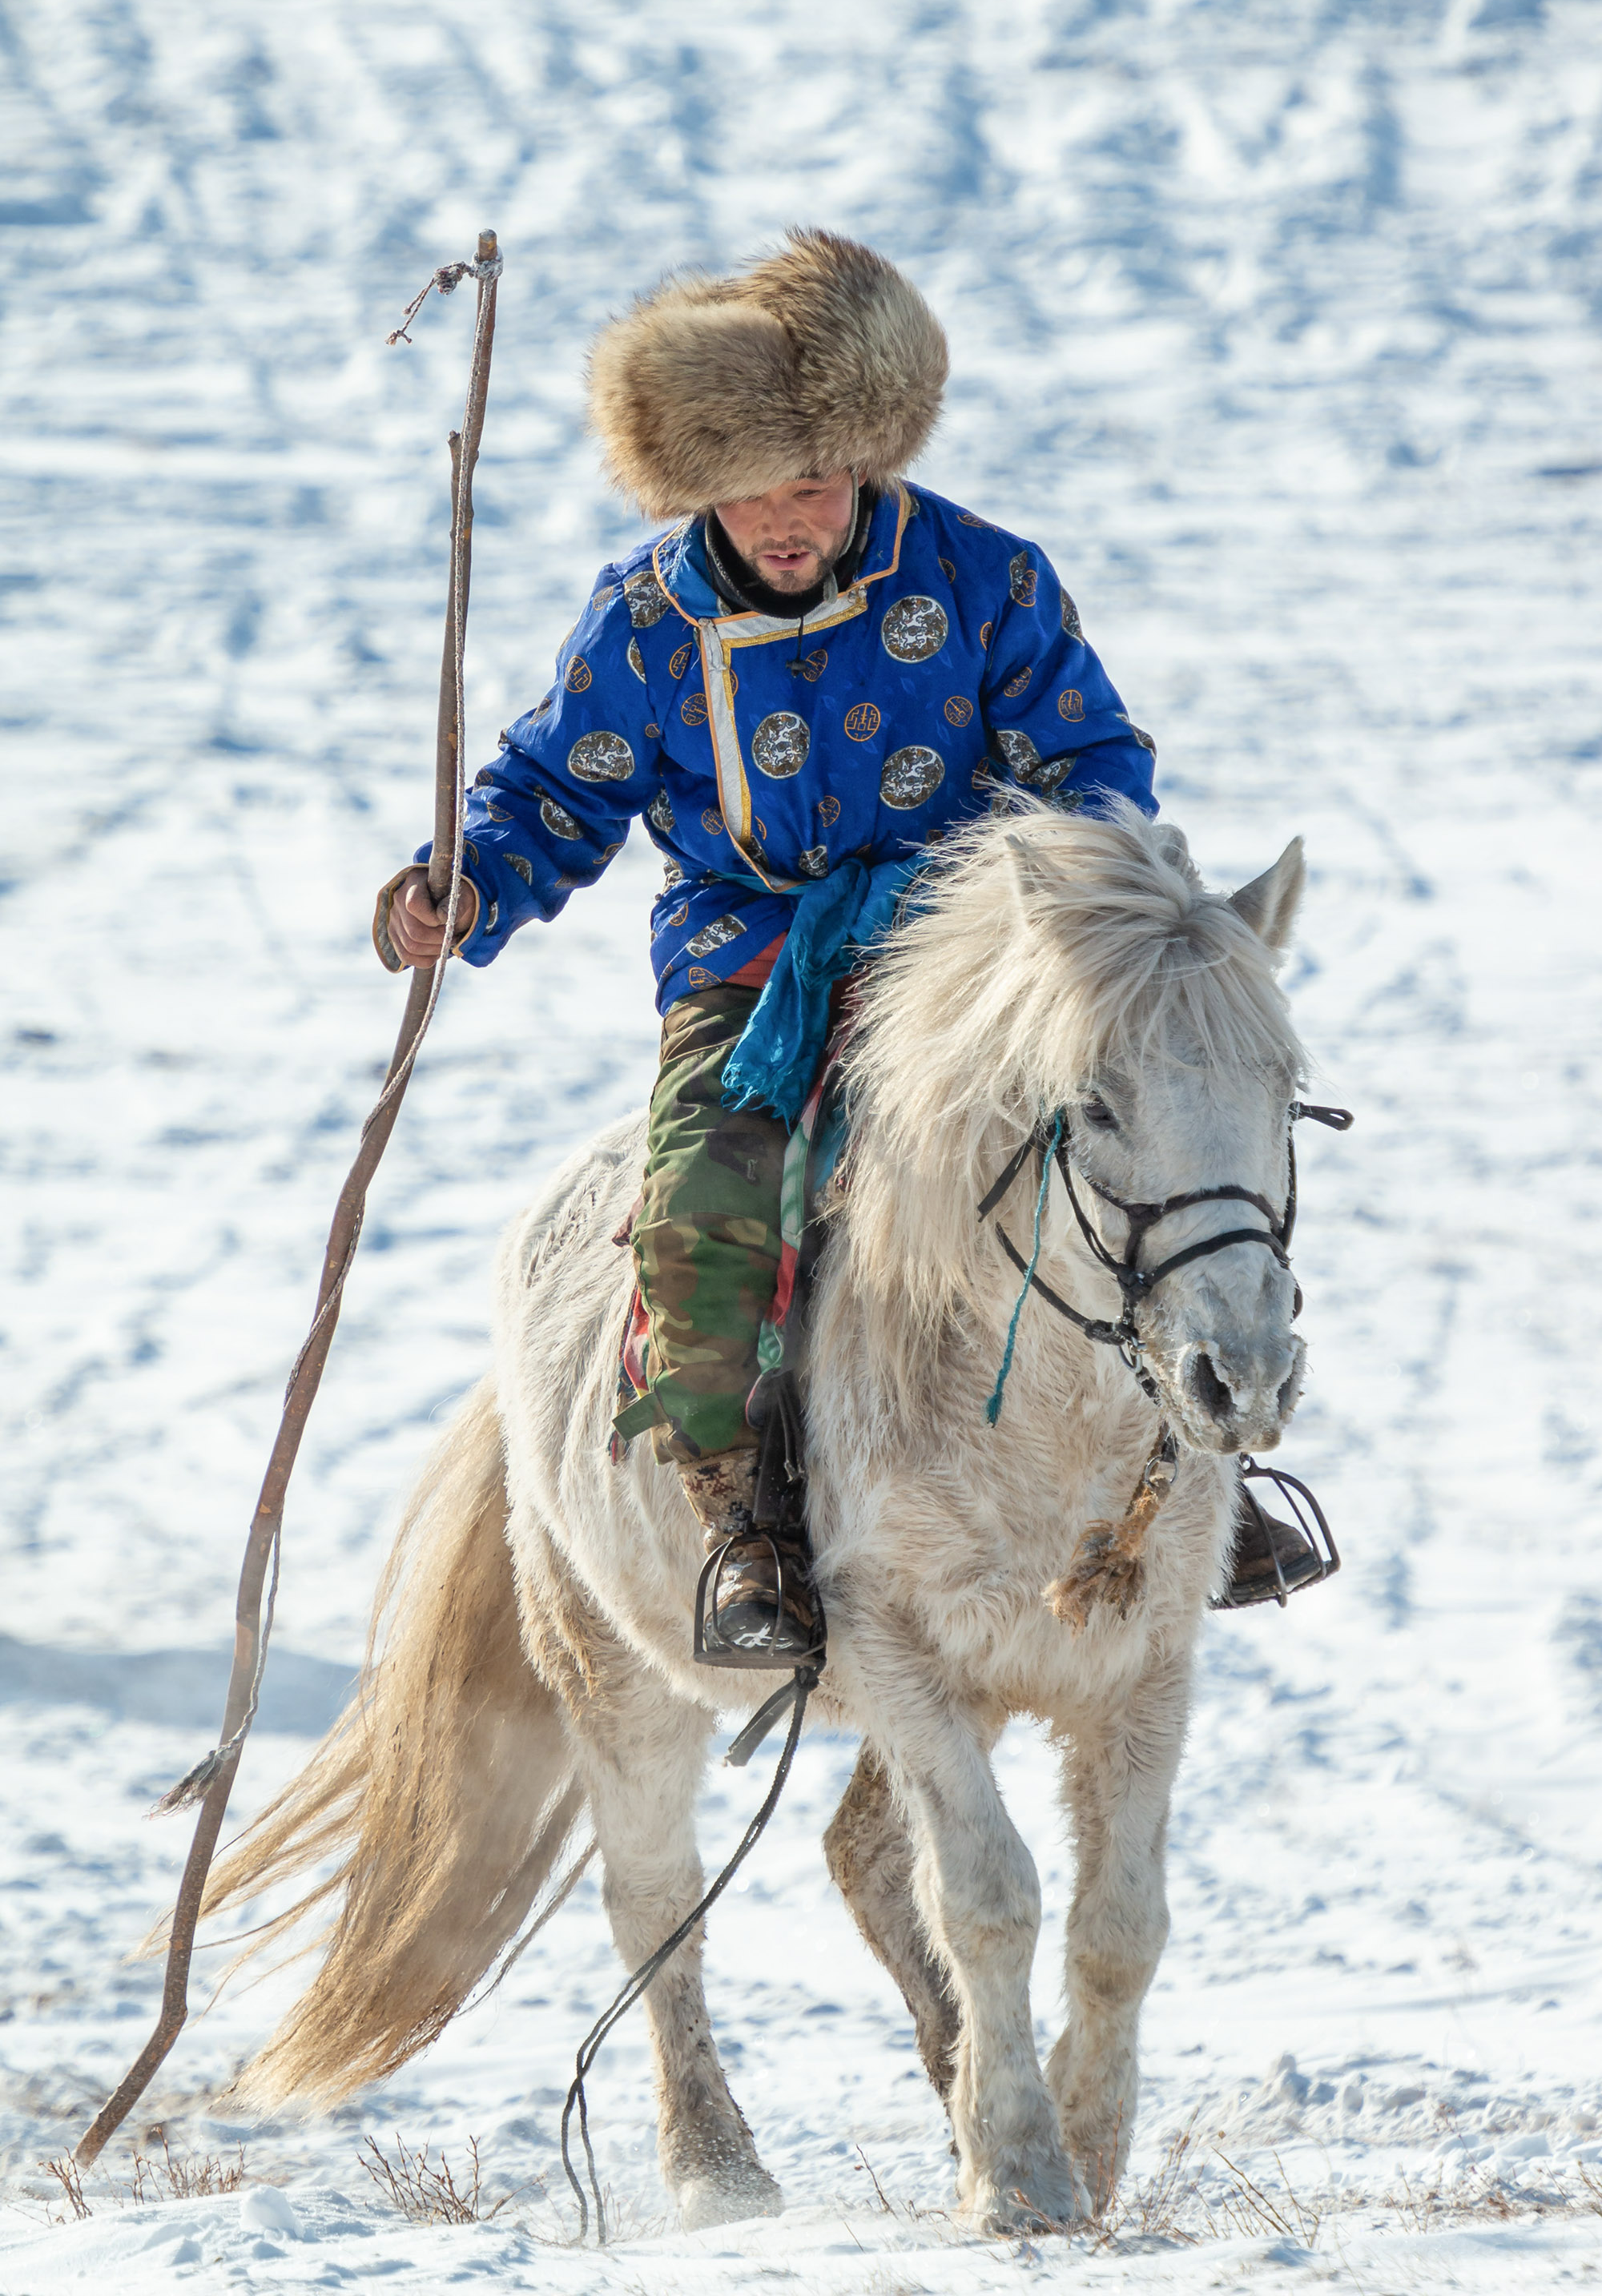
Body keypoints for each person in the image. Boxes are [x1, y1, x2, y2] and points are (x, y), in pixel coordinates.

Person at [377, 229, 1322, 1663]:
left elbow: (1091, 757)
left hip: (968, 970)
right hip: (749, 970)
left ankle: (1195, 1474)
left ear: (869, 463)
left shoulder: (987, 582)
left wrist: (1096, 893)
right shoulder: (645, 624)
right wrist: (465, 885)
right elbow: (554, 788)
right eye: (747, 487)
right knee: (704, 1215)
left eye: (812, 481)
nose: (783, 517)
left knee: (1141, 1164)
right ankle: (749, 1523)